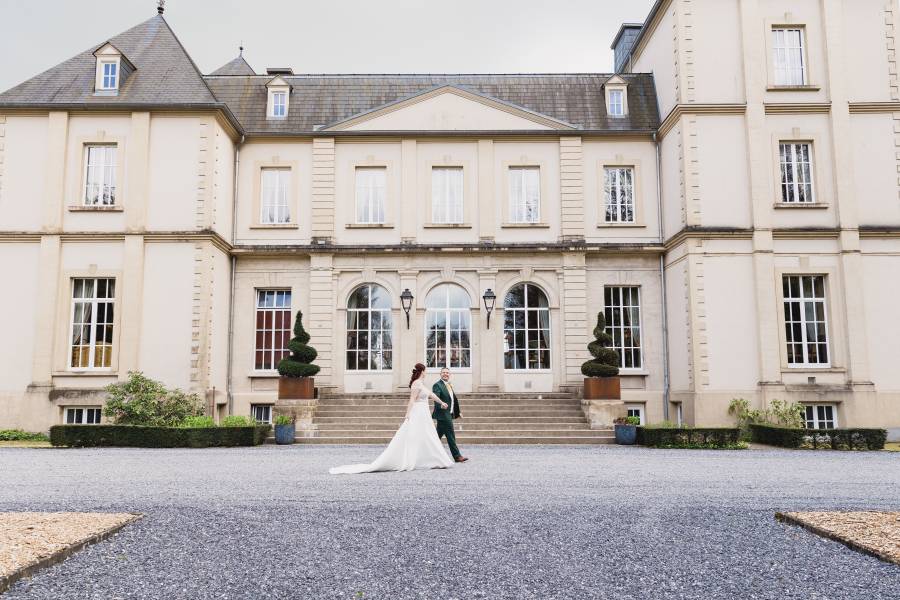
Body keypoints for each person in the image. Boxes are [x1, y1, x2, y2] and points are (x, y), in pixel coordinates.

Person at [329, 363, 454, 474]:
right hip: (418, 412)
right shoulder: (416, 383)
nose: (426, 373)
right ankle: (411, 459)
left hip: (424, 413)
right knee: (414, 435)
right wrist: (408, 413)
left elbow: (431, 395)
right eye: (425, 371)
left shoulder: (421, 383)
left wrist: (441, 402)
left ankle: (433, 459)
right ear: (422, 371)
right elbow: (412, 400)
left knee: (427, 435)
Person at [432, 367, 468, 463]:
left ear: (449, 374)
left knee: (436, 437)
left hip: (449, 413)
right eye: (443, 372)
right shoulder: (437, 385)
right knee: (451, 435)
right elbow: (436, 398)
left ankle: (427, 452)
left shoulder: (449, 385)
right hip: (443, 414)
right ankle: (457, 456)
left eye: (447, 373)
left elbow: (453, 399)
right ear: (440, 374)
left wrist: (457, 412)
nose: (445, 374)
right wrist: (441, 405)